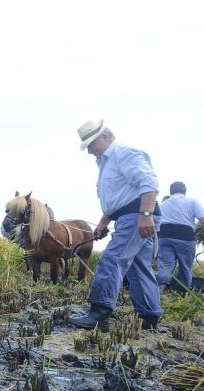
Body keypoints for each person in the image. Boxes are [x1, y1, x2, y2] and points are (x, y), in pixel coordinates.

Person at [69, 120, 162, 331]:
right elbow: (116, 199)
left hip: (136, 215)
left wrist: (146, 215)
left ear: (105, 137)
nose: (89, 150)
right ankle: (149, 316)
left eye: (91, 144)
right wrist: (103, 222)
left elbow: (148, 183)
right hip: (128, 215)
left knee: (112, 259)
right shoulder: (105, 162)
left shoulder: (124, 153)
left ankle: (99, 314)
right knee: (138, 267)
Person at [156, 181, 204, 292]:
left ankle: (161, 291)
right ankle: (182, 293)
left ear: (170, 192)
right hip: (185, 237)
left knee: (165, 265)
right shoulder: (192, 201)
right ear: (184, 191)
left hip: (165, 237)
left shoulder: (163, 205)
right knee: (185, 266)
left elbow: (157, 224)